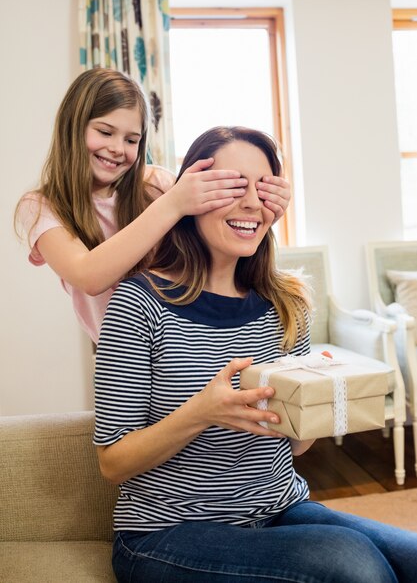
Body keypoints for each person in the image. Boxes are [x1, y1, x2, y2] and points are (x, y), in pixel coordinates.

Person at [94, 125, 417, 583]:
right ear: (192, 195)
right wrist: (202, 412)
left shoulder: (287, 302)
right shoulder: (138, 303)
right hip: (165, 534)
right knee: (352, 566)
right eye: (232, 186)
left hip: (279, 508)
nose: (250, 204)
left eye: (263, 188)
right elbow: (112, 462)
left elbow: (297, 446)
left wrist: (321, 402)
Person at [14, 69, 290, 344]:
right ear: (72, 127)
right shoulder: (41, 207)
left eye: (131, 140)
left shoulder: (157, 184)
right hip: (120, 348)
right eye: (105, 132)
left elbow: (209, 240)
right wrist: (173, 203)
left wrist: (263, 213)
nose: (117, 148)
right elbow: (88, 276)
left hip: (181, 338)